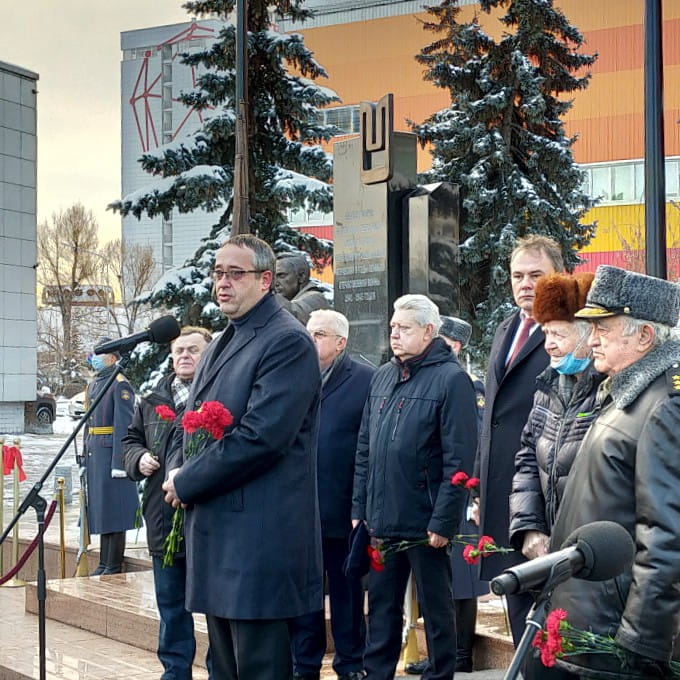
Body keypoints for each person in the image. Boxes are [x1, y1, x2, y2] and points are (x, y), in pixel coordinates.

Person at [162, 234, 323, 680]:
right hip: (221, 539)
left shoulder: (286, 342)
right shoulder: (223, 341)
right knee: (225, 670)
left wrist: (188, 480)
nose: (223, 284)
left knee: (259, 669)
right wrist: (179, 467)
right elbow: (193, 422)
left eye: (236, 274)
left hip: (259, 544)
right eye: (218, 273)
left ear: (266, 280)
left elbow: (261, 438)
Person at [543, 265, 680, 679]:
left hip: (615, 637)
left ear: (644, 336)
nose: (592, 338)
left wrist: (641, 640)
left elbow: (666, 536)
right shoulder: (625, 392)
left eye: (604, 326)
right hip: (589, 618)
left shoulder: (664, 404)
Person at [352, 294, 478, 680]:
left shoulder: (452, 379)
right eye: (392, 326)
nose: (395, 334)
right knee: (383, 607)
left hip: (425, 522)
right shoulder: (384, 375)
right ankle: (377, 674)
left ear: (428, 331)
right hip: (383, 519)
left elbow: (459, 460)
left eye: (404, 328)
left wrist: (444, 521)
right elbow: (365, 448)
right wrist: (360, 509)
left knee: (436, 608)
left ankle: (440, 674)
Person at [475, 234, 563, 645]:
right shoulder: (508, 328)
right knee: (515, 600)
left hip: (543, 493)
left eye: (535, 274)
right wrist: (478, 487)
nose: (524, 283)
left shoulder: (569, 331)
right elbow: (493, 413)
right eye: (517, 275)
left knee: (547, 613)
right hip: (502, 491)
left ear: (558, 275)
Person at [122, 326, 212, 680]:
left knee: (215, 611)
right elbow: (130, 440)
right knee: (171, 608)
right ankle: (175, 673)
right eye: (178, 351)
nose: (184, 356)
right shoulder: (151, 401)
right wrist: (139, 458)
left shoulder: (216, 398)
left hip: (206, 521)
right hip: (163, 520)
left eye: (193, 350)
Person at [289, 309, 373, 680]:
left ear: (340, 343)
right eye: (308, 332)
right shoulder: (292, 376)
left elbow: (368, 447)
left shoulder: (365, 380)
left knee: (347, 593)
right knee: (305, 594)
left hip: (343, 507)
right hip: (299, 509)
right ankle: (304, 664)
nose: (310, 339)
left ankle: (350, 662)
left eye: (319, 334)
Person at [405, 315, 488, 676]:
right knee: (438, 579)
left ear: (454, 345)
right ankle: (444, 653)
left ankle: (460, 653)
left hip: (459, 491)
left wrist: (474, 494)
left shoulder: (466, 383)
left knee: (462, 578)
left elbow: (473, 443)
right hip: (433, 493)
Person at [508, 272, 604, 559]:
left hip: (592, 550)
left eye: (558, 334)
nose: (548, 344)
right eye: (545, 333)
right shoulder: (546, 390)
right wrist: (530, 525)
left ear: (591, 335)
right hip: (550, 548)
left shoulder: (606, 390)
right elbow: (526, 460)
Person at [81, 341, 138, 575]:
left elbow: (124, 426)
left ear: (112, 358)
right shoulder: (97, 384)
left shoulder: (119, 385)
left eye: (99, 354)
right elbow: (88, 422)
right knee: (103, 508)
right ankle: (104, 562)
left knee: (115, 509)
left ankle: (113, 563)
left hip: (111, 453)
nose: (93, 357)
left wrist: (120, 463)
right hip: (97, 453)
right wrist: (84, 455)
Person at [274, 252, 329, 324]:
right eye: (273, 277)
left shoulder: (316, 299)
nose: (275, 283)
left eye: (281, 276)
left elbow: (292, 314)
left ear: (301, 276)